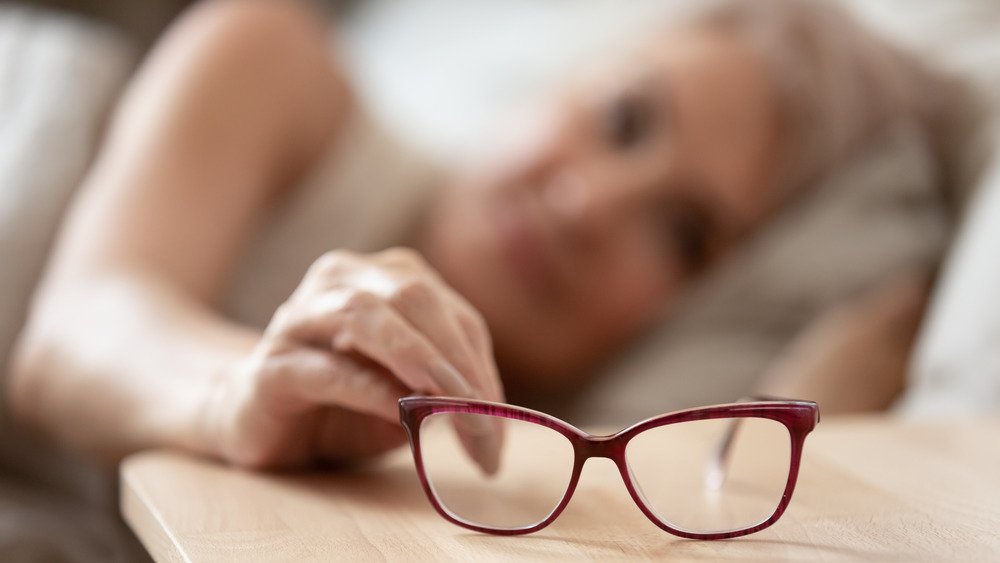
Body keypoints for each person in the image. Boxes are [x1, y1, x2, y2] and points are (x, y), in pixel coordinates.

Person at [7, 0, 951, 477]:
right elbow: (77, 333)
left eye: (681, 233)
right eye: (622, 119)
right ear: (561, 83)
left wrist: (842, 382)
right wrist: (242, 393)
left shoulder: (552, 458)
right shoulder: (274, 62)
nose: (585, 204)